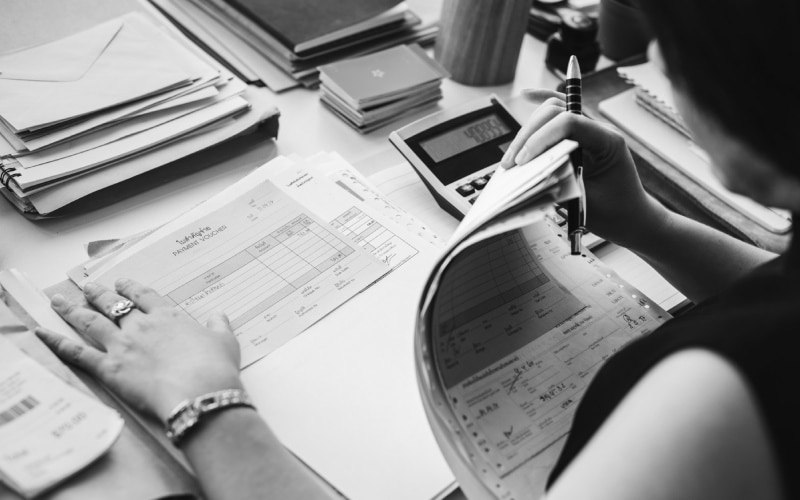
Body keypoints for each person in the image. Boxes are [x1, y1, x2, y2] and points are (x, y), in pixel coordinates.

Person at [35, 0, 798, 498]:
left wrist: (207, 406)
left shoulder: (718, 394)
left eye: (663, 44)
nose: (644, 65)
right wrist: (652, 227)